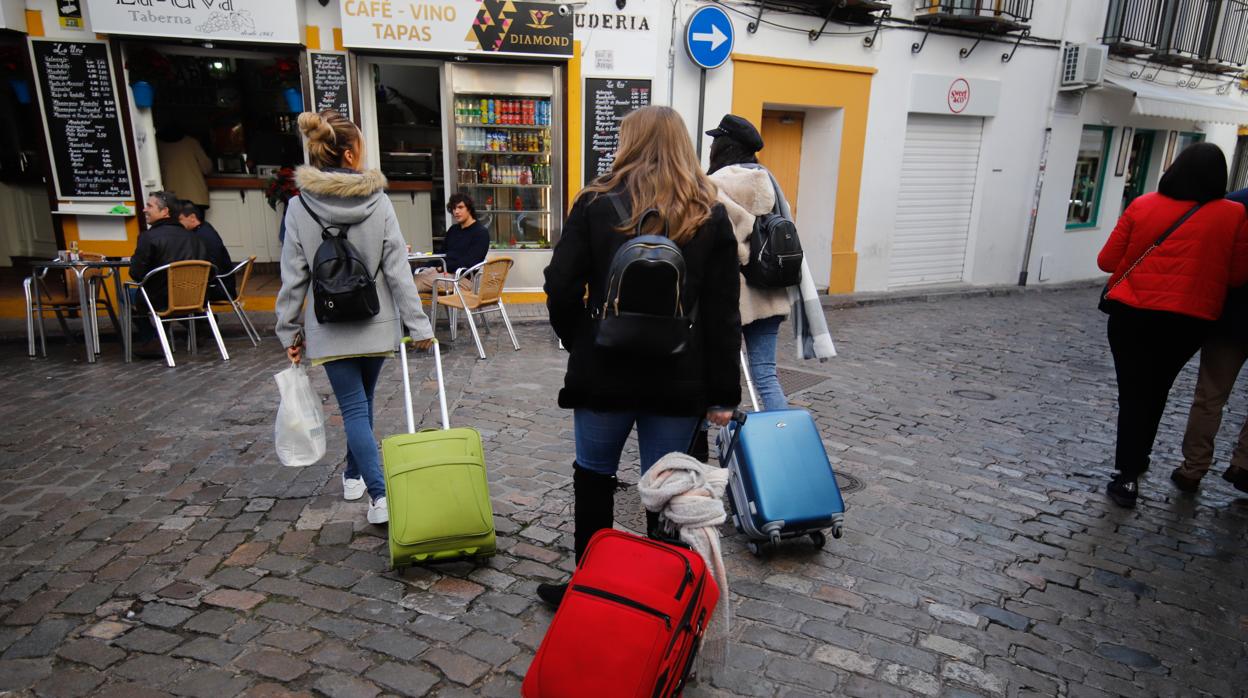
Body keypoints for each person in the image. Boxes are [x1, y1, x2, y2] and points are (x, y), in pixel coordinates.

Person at [538, 105, 741, 606]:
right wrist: (722, 394)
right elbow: (722, 312)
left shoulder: (595, 203)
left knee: (593, 478)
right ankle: (661, 591)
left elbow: (560, 286)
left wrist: (579, 340)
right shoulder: (707, 212)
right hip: (678, 375)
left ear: (629, 142)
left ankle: (589, 583)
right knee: (668, 489)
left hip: (603, 371)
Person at [275, 109, 435, 525]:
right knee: (359, 408)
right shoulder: (378, 202)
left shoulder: (298, 207)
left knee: (354, 410)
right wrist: (418, 326)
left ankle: (363, 482)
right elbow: (399, 270)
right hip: (375, 321)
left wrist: (289, 330)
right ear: (349, 155)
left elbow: (294, 278)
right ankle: (372, 488)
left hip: (329, 326)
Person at [1096, 142, 1248, 508]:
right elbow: (1238, 275)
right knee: (1157, 389)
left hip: (1132, 314)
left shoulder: (1143, 205)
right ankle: (1140, 456)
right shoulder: (1231, 215)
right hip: (1187, 322)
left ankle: (1128, 474)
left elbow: (1107, 260)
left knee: (1133, 393)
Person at [707, 114, 792, 411]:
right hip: (770, 292)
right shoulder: (768, 182)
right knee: (766, 376)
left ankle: (702, 442)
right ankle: (780, 437)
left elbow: (719, 244)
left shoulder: (714, 186)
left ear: (723, 146)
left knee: (713, 377)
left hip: (731, 299)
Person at [1171, 185, 1248, 495]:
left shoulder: (1234, 205)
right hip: (1229, 317)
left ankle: (1193, 467)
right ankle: (1244, 464)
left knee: (1210, 397)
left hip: (1230, 317)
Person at [129, 190, 210, 359]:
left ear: (165, 211)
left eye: (149, 206)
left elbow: (136, 273)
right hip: (195, 299)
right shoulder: (194, 237)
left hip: (160, 299)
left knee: (127, 293)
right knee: (153, 291)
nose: (144, 210)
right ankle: (195, 325)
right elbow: (208, 271)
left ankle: (153, 339)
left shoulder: (148, 237)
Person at [416, 193, 490, 294]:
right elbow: (441, 255)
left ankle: (406, 310)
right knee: (412, 277)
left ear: (469, 208)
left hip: (462, 279)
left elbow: (470, 262)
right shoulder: (453, 230)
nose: (456, 211)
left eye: (460, 207)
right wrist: (425, 266)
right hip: (444, 273)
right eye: (454, 208)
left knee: (415, 283)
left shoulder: (480, 233)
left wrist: (442, 268)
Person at [177, 200, 236, 301]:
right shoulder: (205, 228)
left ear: (192, 217)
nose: (178, 224)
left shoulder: (200, 236)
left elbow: (205, 268)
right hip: (225, 284)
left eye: (180, 219)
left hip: (218, 288)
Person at [156, 124, 212, 215]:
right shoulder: (191, 142)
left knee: (176, 228)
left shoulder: (155, 145)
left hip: (171, 199)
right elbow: (207, 168)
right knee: (197, 228)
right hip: (196, 197)